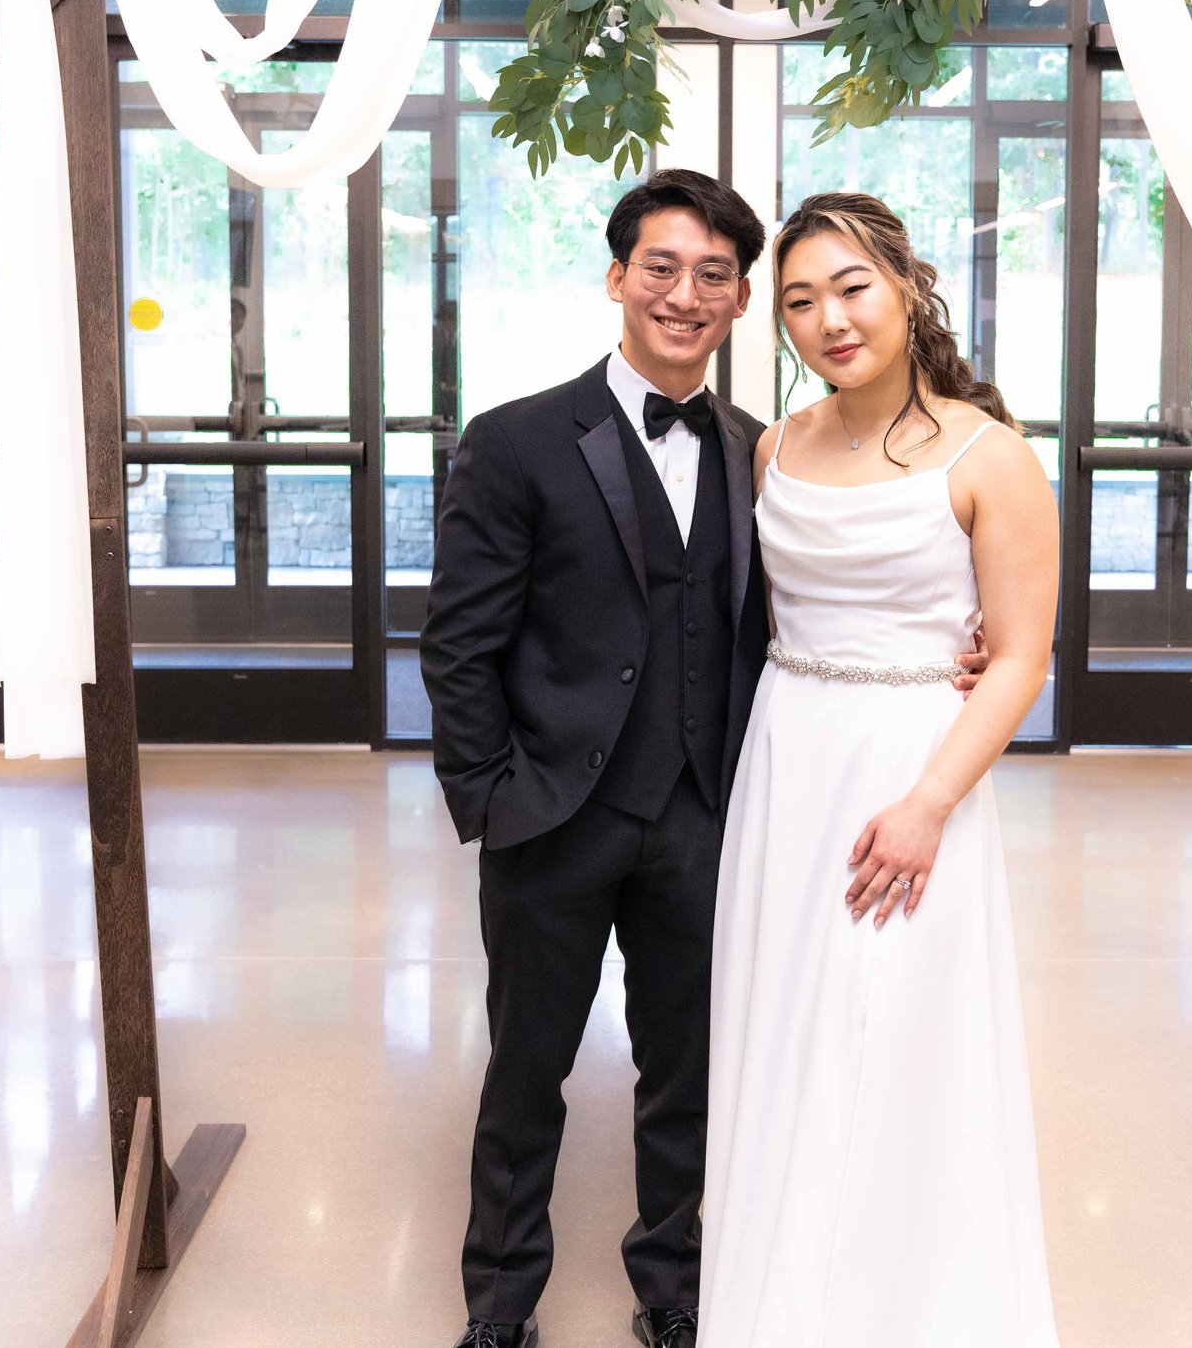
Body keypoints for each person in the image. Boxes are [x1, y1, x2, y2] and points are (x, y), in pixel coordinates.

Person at [698, 191, 1063, 1348]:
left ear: (907, 286)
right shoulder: (773, 445)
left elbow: (1017, 658)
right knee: (784, 1031)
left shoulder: (986, 453)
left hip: (912, 769)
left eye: (851, 288)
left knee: (900, 1033)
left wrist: (926, 803)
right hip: (787, 758)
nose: (828, 320)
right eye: (799, 301)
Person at [419, 169, 772, 1348]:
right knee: (527, 1073)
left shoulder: (756, 449)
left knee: (685, 1071)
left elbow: (787, 623)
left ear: (737, 299)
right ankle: (501, 1305)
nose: (685, 294)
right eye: (662, 267)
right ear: (616, 276)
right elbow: (459, 641)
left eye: (713, 275)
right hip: (550, 815)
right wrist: (488, 796)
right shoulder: (517, 439)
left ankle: (671, 1288)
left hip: (698, 816)